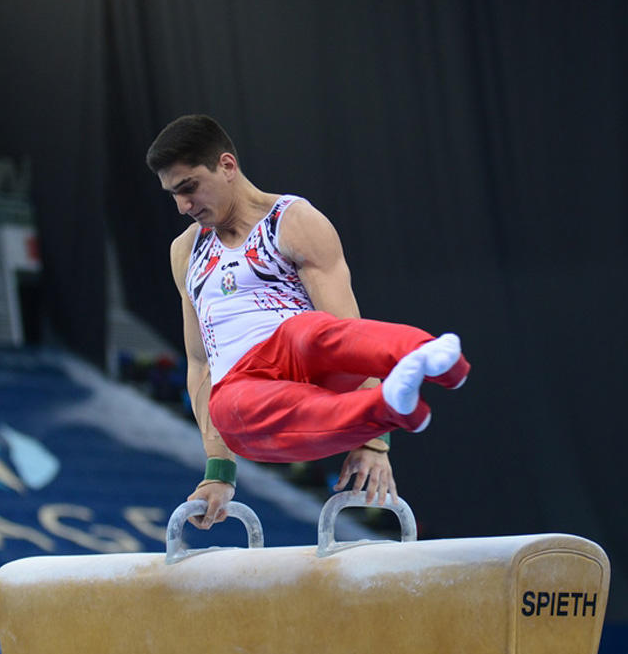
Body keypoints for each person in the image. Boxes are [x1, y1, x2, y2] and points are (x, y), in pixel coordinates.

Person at [147, 114, 470, 530]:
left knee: (308, 332)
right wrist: (219, 470)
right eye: (173, 194)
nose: (183, 207)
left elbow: (347, 331)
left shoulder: (294, 222)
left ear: (227, 166)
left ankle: (432, 354)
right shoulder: (185, 252)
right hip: (248, 396)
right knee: (230, 404)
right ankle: (387, 406)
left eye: (189, 188)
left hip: (303, 362)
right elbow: (200, 364)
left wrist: (375, 445)